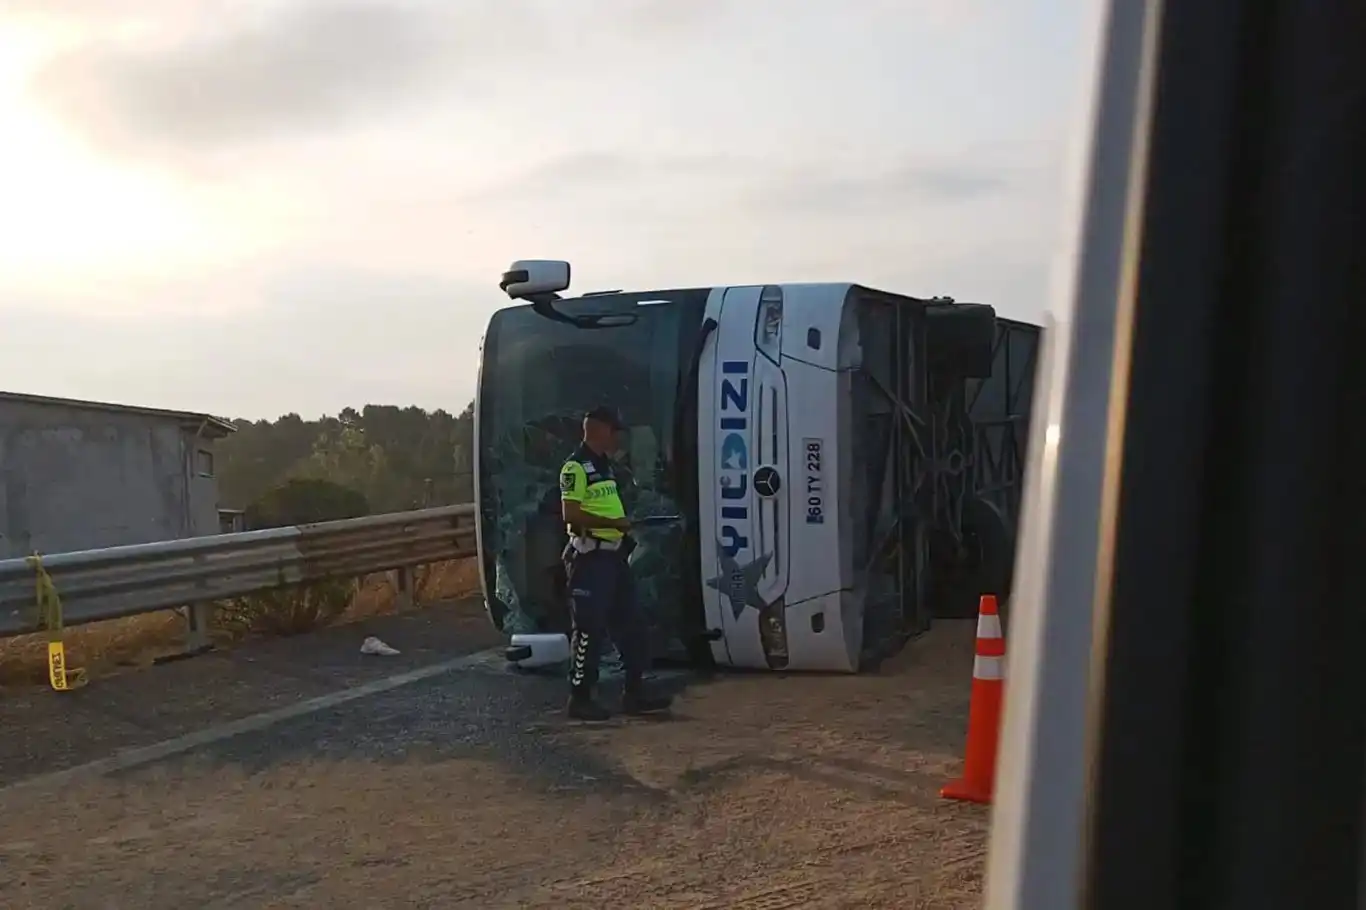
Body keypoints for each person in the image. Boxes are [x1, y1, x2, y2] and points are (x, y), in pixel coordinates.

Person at [558, 406, 673, 720]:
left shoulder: (605, 467)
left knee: (632, 625)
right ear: (597, 429)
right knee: (588, 630)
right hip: (589, 559)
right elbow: (570, 514)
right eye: (612, 430)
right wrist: (614, 522)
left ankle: (634, 693)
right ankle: (580, 698)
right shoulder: (575, 468)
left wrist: (622, 527)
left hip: (614, 557)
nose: (616, 436)